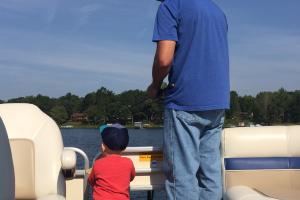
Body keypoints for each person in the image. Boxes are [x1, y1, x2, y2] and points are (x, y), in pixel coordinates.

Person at [147, 0, 230, 199]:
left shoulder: (170, 6)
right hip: (217, 103)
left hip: (185, 102)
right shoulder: (217, 12)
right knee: (210, 178)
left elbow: (164, 59)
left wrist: (155, 86)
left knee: (181, 179)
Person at [88, 124, 135, 200]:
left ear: (103, 147)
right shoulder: (128, 163)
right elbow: (131, 177)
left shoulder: (98, 164)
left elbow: (91, 181)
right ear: (124, 147)